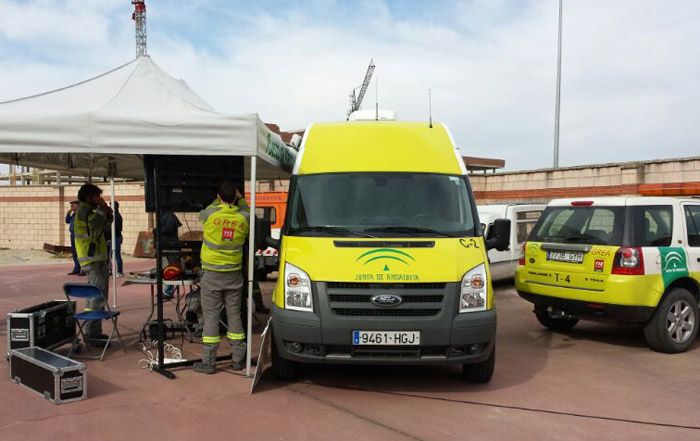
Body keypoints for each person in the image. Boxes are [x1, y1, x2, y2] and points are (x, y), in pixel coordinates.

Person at [193, 182, 250, 374]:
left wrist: (222, 199)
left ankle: (209, 362)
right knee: (234, 316)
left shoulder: (210, 214)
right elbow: (245, 208)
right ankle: (237, 360)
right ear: (236, 197)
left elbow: (210, 207)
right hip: (234, 274)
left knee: (211, 317)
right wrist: (239, 199)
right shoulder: (244, 217)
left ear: (218, 197)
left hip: (212, 273)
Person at [74, 183, 113, 343]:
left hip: (97, 258)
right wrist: (103, 208)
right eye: (96, 196)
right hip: (92, 259)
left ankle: (93, 331)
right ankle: (92, 334)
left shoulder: (90, 210)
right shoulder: (85, 210)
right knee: (97, 295)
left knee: (97, 295)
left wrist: (106, 211)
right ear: (88, 197)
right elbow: (96, 224)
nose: (100, 198)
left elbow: (106, 224)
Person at [65, 200, 83, 275]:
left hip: (79, 236)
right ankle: (76, 268)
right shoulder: (73, 214)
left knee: (80, 253)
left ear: (78, 206)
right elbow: (67, 221)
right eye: (71, 205)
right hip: (72, 235)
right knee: (74, 252)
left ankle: (83, 269)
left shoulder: (81, 214)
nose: (71, 207)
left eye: (73, 205)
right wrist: (68, 213)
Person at [107, 201, 124, 277]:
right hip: (114, 237)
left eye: (111, 206)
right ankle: (110, 270)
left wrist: (110, 237)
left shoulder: (116, 216)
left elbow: (116, 229)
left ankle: (119, 271)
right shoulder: (113, 216)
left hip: (115, 237)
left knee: (116, 255)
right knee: (110, 255)